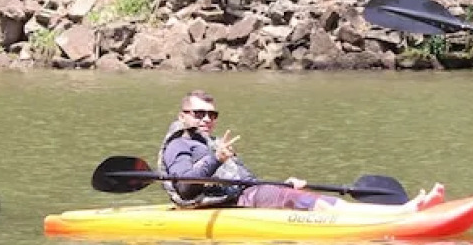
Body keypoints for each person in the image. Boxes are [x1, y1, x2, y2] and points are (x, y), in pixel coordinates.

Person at [158, 90, 444, 210]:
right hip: (228, 204)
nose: (206, 119)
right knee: (291, 197)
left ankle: (397, 212)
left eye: (212, 114)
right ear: (182, 115)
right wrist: (216, 158)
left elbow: (243, 181)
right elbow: (184, 187)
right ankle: (401, 214)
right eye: (198, 113)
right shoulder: (179, 145)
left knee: (293, 192)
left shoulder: (208, 142)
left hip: (241, 197)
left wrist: (280, 183)